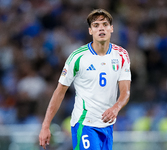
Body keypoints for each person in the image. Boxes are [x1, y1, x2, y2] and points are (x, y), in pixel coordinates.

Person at [39, 8, 131, 150]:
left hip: (107, 126)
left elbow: (125, 92)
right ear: (90, 31)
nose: (101, 28)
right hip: (85, 124)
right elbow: (59, 92)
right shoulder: (77, 57)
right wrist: (46, 126)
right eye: (96, 25)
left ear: (111, 28)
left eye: (105, 24)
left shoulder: (121, 55)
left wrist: (116, 108)